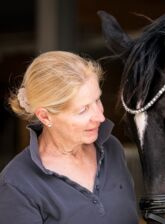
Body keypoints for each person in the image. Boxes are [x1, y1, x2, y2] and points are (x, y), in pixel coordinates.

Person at [0, 51, 138, 224]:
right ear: (45, 117)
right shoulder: (16, 184)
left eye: (97, 100)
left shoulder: (112, 148)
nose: (100, 117)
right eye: (83, 110)